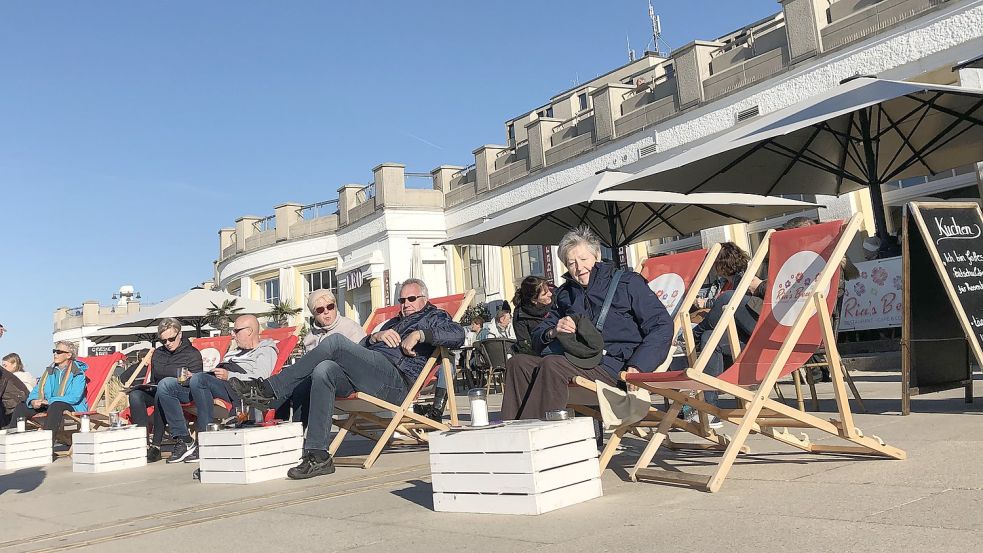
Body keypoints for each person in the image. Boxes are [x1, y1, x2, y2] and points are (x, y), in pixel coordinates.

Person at [231, 278, 465, 480]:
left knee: (334, 342)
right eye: (402, 300)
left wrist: (420, 334)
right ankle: (319, 455)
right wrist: (375, 336)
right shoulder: (393, 321)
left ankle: (270, 390)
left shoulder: (435, 317)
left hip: (396, 381)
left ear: (424, 298)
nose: (406, 305)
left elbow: (458, 334)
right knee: (324, 370)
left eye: (412, 299)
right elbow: (361, 346)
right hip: (371, 371)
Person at [501, 227, 673, 420]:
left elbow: (661, 325)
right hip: (576, 361)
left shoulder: (628, 283)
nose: (579, 268)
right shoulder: (565, 294)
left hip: (614, 366)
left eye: (583, 260)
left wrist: (640, 365)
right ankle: (513, 434)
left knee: (553, 364)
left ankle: (537, 436)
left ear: (597, 255)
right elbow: (539, 334)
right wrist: (553, 331)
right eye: (571, 263)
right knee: (518, 363)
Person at [186, 315, 278, 461]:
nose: (232, 335)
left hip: (242, 389)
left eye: (236, 331)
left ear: (249, 331)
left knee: (199, 380)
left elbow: (260, 378)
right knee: (171, 385)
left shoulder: (265, 350)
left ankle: (205, 443)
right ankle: (184, 442)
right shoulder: (232, 353)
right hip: (221, 384)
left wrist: (230, 375)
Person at [276, 289, 366, 423]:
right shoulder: (310, 337)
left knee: (302, 388)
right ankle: (283, 432)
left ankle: (301, 432)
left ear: (335, 306)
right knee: (284, 390)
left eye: (330, 307)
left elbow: (361, 363)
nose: (326, 311)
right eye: (320, 309)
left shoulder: (351, 328)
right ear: (314, 314)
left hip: (346, 381)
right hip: (318, 380)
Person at [133, 318, 204, 464]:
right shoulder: (158, 353)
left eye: (171, 339)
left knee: (163, 389)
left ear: (180, 334)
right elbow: (154, 379)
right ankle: (142, 444)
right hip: (161, 390)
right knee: (136, 395)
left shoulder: (192, 353)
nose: (168, 343)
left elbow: (199, 382)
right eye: (163, 341)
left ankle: (156, 445)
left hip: (185, 392)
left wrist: (187, 378)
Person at [6, 341, 88, 446]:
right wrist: (33, 401)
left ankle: (47, 445)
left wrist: (50, 401)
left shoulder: (78, 373)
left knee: (56, 405)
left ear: (68, 355)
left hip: (71, 405)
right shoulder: (49, 372)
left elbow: (74, 397)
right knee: (22, 407)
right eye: (54, 351)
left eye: (59, 351)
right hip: (50, 404)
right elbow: (36, 390)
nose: (55, 354)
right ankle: (10, 444)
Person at [511, 276, 553, 355]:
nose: (550, 294)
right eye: (544, 294)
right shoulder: (520, 316)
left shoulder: (556, 301)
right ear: (534, 300)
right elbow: (525, 345)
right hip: (539, 354)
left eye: (549, 290)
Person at [1, 353, 33, 427]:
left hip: (18, 408)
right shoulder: (27, 376)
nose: (3, 368)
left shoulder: (14, 379)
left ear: (14, 364)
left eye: (5, 365)